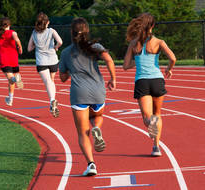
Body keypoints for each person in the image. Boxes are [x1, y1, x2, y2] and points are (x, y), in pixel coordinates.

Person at [59, 17, 116, 176]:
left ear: (71, 32)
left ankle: (91, 164)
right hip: (98, 90)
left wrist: (71, 69)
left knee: (83, 133)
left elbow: (62, 78)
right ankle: (97, 127)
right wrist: (113, 78)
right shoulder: (95, 47)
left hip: (79, 94)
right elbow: (109, 60)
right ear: (87, 31)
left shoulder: (65, 52)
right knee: (97, 117)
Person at [123, 13, 176, 156]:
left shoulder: (134, 43)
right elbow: (173, 58)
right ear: (152, 26)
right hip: (157, 80)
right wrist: (169, 69)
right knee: (157, 114)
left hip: (142, 82)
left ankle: (150, 123)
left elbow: (126, 66)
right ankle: (156, 147)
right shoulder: (159, 42)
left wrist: (138, 61)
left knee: (148, 117)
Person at [28, 12, 62, 117]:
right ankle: (52, 103)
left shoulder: (34, 33)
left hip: (41, 61)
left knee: (48, 82)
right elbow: (60, 42)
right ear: (47, 22)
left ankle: (52, 100)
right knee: (51, 81)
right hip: (53, 60)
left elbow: (29, 48)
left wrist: (37, 45)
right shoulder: (51, 31)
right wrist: (56, 47)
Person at [0, 17, 24, 106]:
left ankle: (15, 79)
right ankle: (10, 99)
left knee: (11, 79)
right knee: (11, 81)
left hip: (4, 59)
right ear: (9, 25)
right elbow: (17, 40)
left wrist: (1, 45)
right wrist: (20, 48)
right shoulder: (13, 33)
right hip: (14, 59)